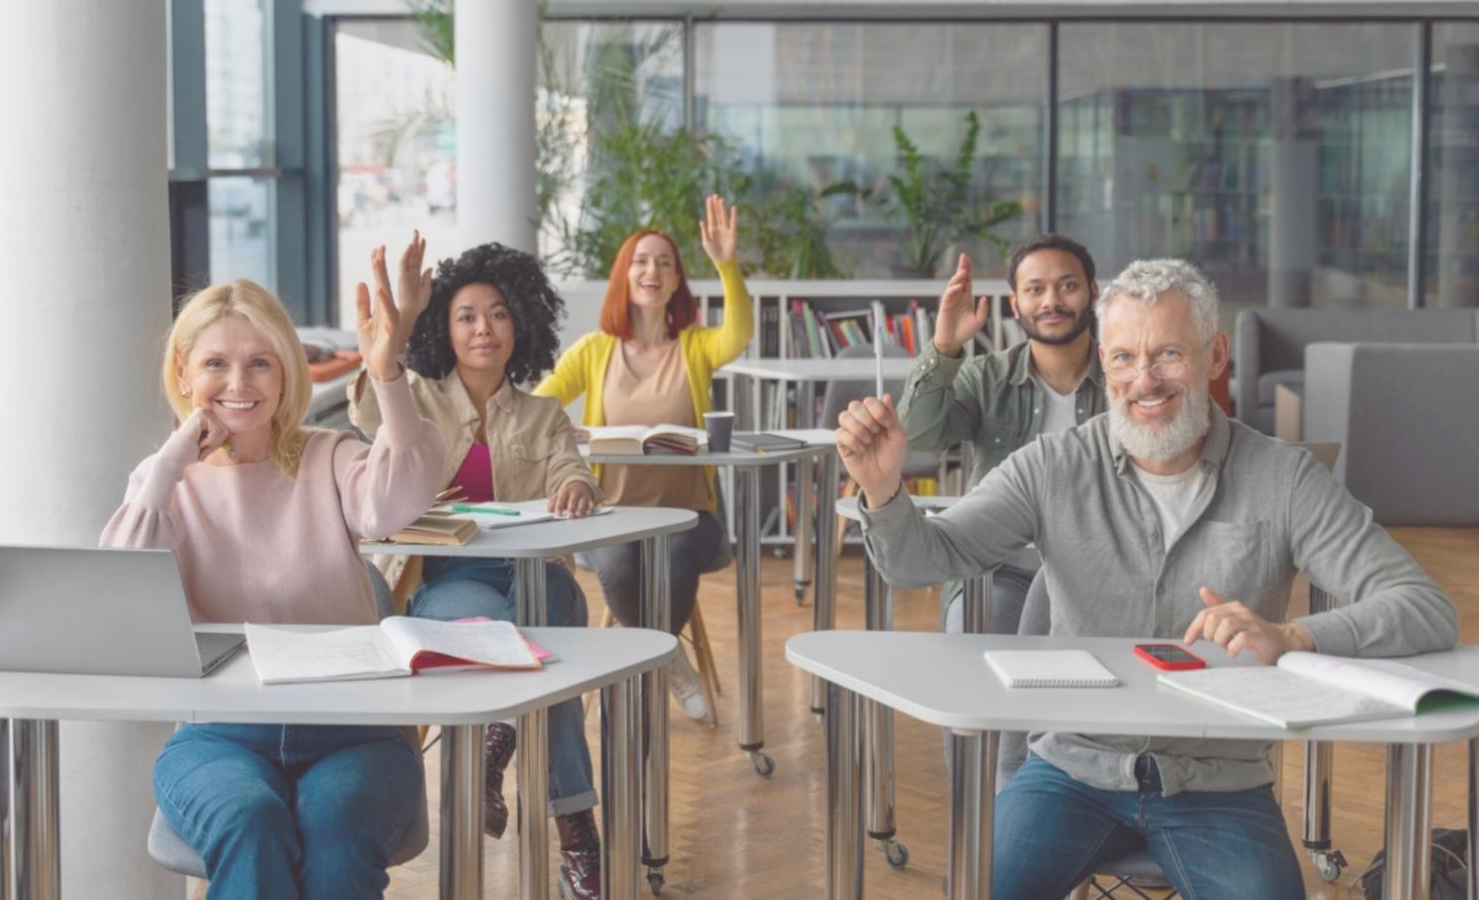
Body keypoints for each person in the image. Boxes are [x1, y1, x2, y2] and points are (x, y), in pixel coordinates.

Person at [836, 258, 1457, 900]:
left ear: (1216, 356)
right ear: (1104, 363)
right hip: (1071, 770)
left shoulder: (1285, 477)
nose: (1145, 380)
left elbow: (1423, 606)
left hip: (1218, 779)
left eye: (1167, 354)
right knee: (976, 888)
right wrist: (883, 493)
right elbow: (921, 560)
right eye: (1125, 358)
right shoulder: (1051, 467)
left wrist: (1293, 636)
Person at [102, 258, 445, 899]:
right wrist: (171, 460)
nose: (239, 382)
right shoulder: (165, 487)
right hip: (218, 736)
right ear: (183, 374)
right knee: (248, 819)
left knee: (337, 826)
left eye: (260, 361)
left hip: (354, 733)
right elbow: (121, 584)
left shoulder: (330, 455)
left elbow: (399, 500)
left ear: (286, 373)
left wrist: (387, 372)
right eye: (215, 364)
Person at [348, 235, 605, 900]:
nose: (483, 328)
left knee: (540, 618)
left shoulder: (545, 413)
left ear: (520, 321)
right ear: (445, 327)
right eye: (465, 315)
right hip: (451, 585)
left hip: (536, 579)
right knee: (546, 672)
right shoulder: (416, 400)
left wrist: (577, 484)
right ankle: (577, 832)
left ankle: (499, 738)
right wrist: (394, 328)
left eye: (497, 313)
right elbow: (367, 407)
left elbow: (570, 464)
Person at [535, 195, 752, 721]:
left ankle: (647, 661)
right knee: (619, 562)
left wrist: (725, 263)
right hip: (610, 515)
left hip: (689, 517)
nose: (651, 270)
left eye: (664, 262)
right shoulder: (594, 350)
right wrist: (569, 426)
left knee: (675, 556)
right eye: (640, 261)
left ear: (676, 281)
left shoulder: (697, 347)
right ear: (623, 276)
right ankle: (668, 659)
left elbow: (739, 333)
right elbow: (538, 405)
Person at [898, 235, 1107, 635]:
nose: (1051, 301)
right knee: (971, 657)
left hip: (1097, 574)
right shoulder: (986, 376)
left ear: (1093, 292)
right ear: (1015, 304)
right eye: (1035, 289)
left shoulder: (1122, 378)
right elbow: (919, 436)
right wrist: (945, 345)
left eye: (1068, 285)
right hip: (999, 572)